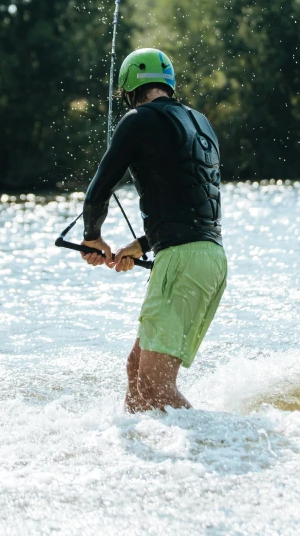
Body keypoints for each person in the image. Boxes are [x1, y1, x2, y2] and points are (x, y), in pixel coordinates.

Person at [81, 48, 227, 412]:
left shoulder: (137, 120)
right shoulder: (200, 122)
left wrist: (92, 236)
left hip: (182, 261)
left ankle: (223, 447)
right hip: (209, 257)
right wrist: (141, 245)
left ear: (130, 88)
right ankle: (141, 455)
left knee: (156, 385)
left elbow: (99, 189)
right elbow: (192, 204)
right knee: (136, 371)